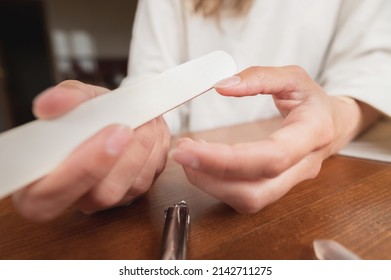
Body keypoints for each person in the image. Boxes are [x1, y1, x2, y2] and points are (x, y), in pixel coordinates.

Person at [12, 0, 391, 221]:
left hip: (331, 188)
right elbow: (153, 82)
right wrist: (133, 130)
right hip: (187, 183)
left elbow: (372, 67)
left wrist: (335, 117)